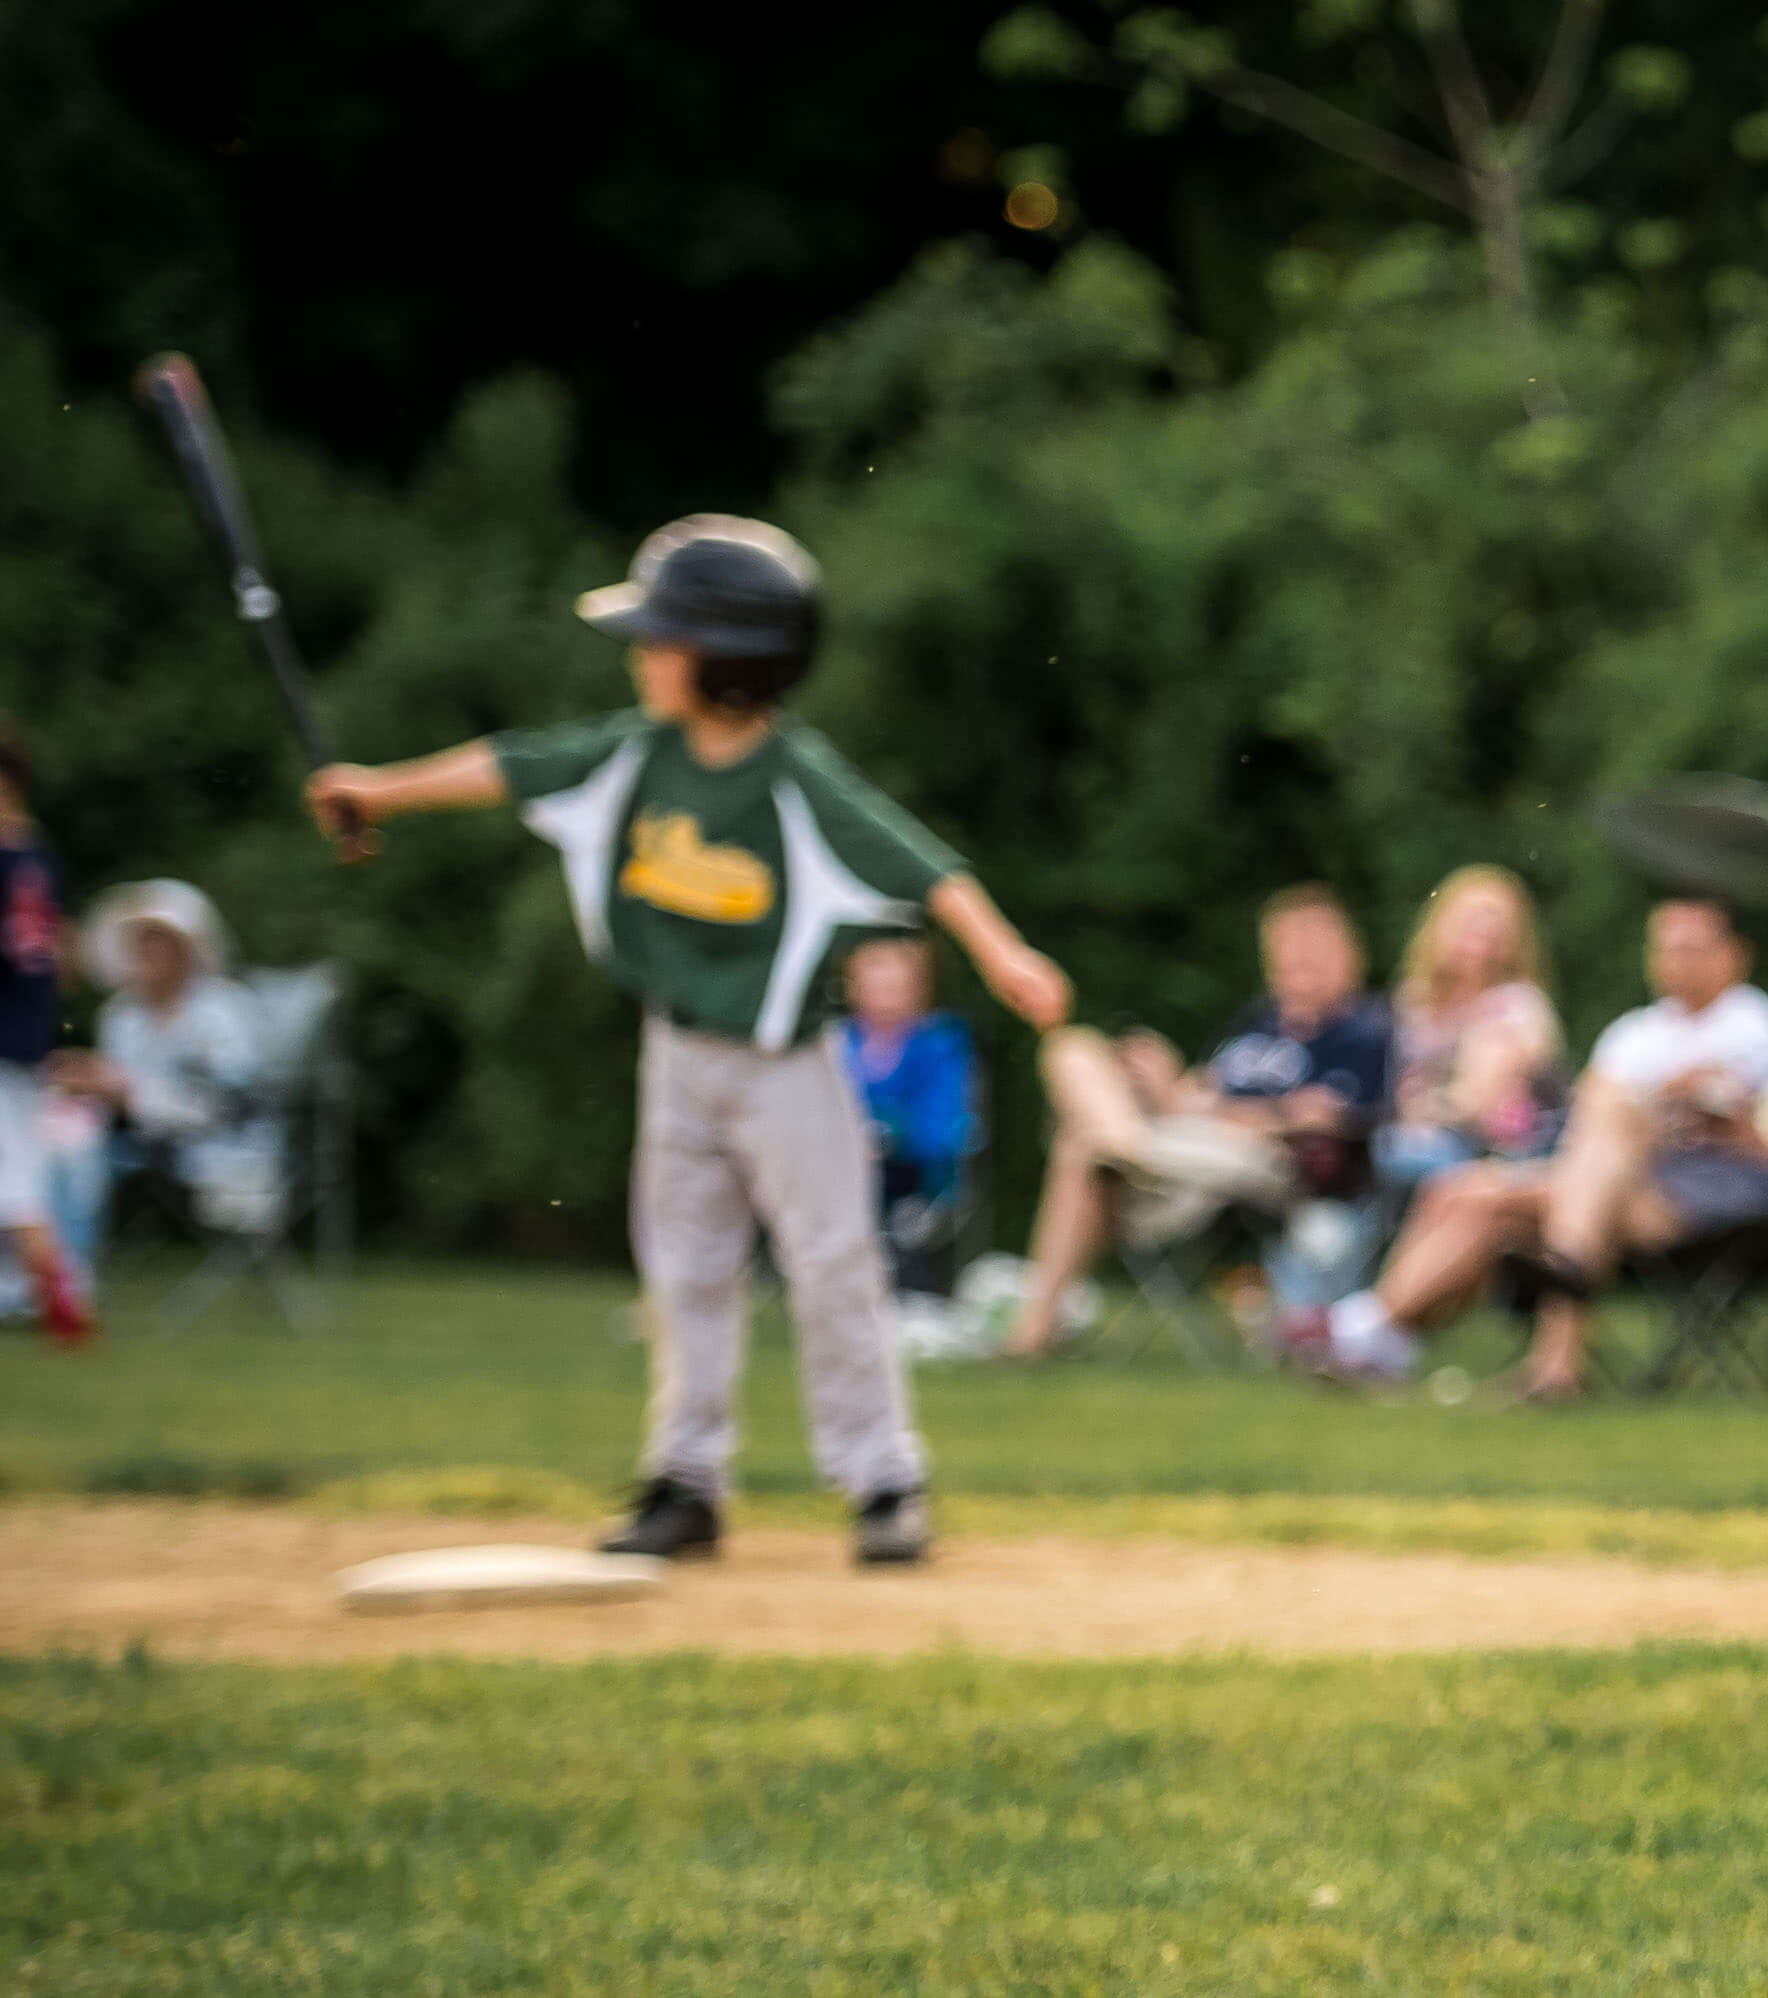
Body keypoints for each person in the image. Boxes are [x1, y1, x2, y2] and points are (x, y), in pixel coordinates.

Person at [305, 518, 1074, 1564]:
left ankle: (883, 1479)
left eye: (661, 637)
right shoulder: (634, 758)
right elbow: (515, 766)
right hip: (676, 1056)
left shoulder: (796, 782)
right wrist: (377, 787)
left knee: (833, 1264)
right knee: (683, 1271)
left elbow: (923, 865)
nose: (641, 654)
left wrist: (1004, 953)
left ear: (730, 659)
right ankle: (685, 1480)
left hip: (786, 1067)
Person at [1311, 892, 1768, 1386]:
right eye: (1664, 948)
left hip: (1703, 1193)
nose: (1674, 962)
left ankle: (1363, 1331)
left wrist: (1645, 1099)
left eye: (1691, 948)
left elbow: (1717, 1103)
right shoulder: (1635, 1031)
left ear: (1734, 955)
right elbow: (1599, 1106)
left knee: (1596, 1131)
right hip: (1612, 1185)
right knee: (1462, 1191)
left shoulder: (1754, 1021)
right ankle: (1385, 1339)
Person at [1004, 883, 1389, 1358]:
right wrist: (1163, 1081)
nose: (1296, 957)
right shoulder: (1256, 1022)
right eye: (1286, 944)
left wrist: (1211, 1110)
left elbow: (1321, 1120)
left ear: (1347, 953)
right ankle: (1124, 1146)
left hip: (1261, 1164)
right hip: (1188, 1144)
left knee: (1081, 1146)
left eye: (1312, 944)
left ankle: (1035, 1327)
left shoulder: (1361, 1028)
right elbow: (1201, 1090)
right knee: (1072, 1048)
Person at [46, 881, 278, 1278]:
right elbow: (120, 1095)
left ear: (187, 949)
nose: (147, 952)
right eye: (140, 942)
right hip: (139, 1142)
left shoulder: (222, 1011)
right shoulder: (121, 1014)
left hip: (218, 1149)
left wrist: (125, 1090)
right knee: (54, 1140)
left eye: (159, 941)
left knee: (80, 1156)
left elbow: (232, 1104)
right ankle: (41, 1277)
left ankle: (70, 1281)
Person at [1373, 864, 1563, 1194]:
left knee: (1399, 1154)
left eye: (1492, 929)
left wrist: (1434, 1111)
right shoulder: (1413, 999)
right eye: (1471, 925)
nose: (1480, 941)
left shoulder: (1517, 1005)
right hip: (1420, 1134)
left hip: (1499, 1148)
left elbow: (1487, 1094)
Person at [0, 728, 86, 1344]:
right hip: (28, 1031)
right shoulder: (39, 857)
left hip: (4, 1034)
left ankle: (63, 1306)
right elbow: (66, 954)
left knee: (16, 1184)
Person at [833, 937, 975, 1302]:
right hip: (839, 1165)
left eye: (895, 986)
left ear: (919, 989)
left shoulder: (939, 1043)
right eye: (876, 984)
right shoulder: (834, 1042)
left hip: (914, 1175)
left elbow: (943, 1122)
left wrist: (887, 1135)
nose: (885, 995)